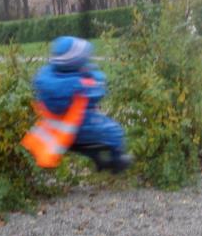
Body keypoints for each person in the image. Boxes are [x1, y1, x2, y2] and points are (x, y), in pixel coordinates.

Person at [21, 36, 132, 173]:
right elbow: (99, 92)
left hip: (57, 130)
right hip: (82, 126)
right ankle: (119, 161)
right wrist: (90, 74)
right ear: (76, 63)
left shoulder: (46, 79)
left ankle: (98, 160)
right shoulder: (81, 85)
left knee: (84, 144)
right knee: (114, 131)